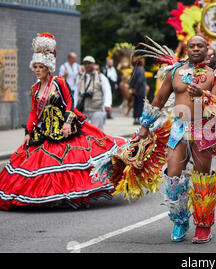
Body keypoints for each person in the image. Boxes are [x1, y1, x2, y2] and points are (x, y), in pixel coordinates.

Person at [0, 33, 127, 210]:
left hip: (65, 128)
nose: (37, 70)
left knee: (73, 161)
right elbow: (33, 113)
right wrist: (28, 132)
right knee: (40, 163)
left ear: (48, 67)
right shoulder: (35, 88)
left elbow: (70, 102)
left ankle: (73, 195)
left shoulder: (58, 82)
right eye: (35, 66)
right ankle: (52, 196)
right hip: (45, 130)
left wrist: (67, 123)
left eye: (40, 67)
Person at [137, 36, 216, 243]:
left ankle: (203, 225)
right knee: (173, 175)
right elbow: (158, 98)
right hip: (179, 129)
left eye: (200, 46)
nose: (195, 49)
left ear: (206, 49)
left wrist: (202, 95)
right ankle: (179, 220)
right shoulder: (175, 72)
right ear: (187, 49)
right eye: (192, 46)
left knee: (202, 178)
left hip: (204, 129)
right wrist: (145, 125)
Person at [77, 56, 112, 130]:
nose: (87, 65)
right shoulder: (80, 77)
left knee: (97, 131)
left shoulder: (101, 77)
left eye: (89, 63)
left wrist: (107, 104)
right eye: (85, 64)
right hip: (83, 110)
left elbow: (107, 91)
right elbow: (76, 93)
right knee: (83, 132)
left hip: (97, 109)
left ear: (94, 64)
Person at [129, 56, 147, 125]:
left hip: (135, 90)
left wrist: (132, 88)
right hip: (140, 90)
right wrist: (136, 88)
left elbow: (131, 80)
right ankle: (138, 118)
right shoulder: (142, 70)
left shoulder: (134, 69)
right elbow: (139, 81)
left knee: (135, 104)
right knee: (140, 105)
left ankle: (135, 118)